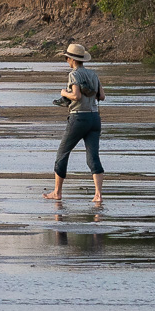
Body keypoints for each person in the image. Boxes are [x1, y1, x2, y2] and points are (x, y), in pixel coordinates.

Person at [43, 42, 104, 204]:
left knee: (62, 153)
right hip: (94, 118)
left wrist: (64, 92)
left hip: (78, 118)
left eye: (67, 58)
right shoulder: (93, 74)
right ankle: (98, 194)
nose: (66, 61)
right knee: (93, 157)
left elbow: (76, 96)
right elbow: (102, 96)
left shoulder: (74, 75)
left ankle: (57, 192)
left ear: (71, 59)